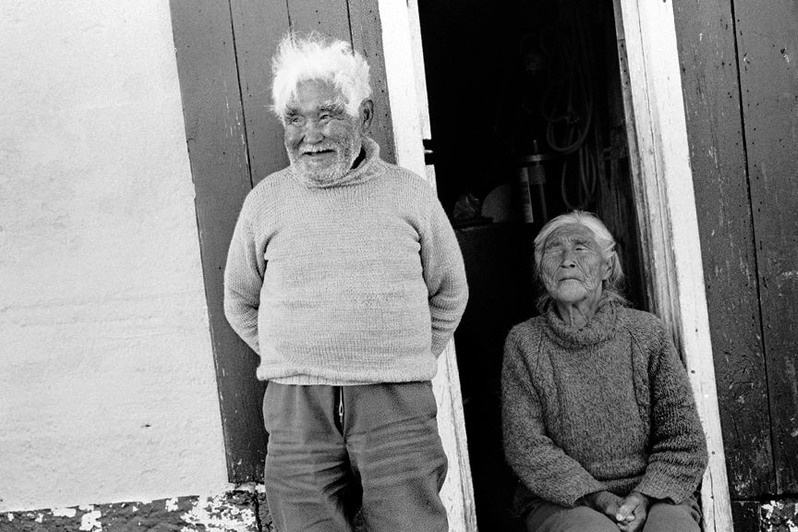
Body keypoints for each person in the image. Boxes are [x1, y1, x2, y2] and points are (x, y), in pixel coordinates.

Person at [223, 32, 468, 532]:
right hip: (296, 408)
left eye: (327, 114)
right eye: (295, 118)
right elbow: (240, 300)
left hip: (394, 401)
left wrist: (402, 355)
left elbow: (449, 291)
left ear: (366, 114)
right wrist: (293, 356)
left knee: (410, 525)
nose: (310, 134)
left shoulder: (409, 195)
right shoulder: (265, 202)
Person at [501, 210, 708, 532]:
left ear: (607, 267)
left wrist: (643, 495)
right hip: (563, 496)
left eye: (581, 248)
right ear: (541, 269)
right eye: (555, 250)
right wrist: (599, 498)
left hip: (654, 490)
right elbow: (526, 447)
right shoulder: (525, 343)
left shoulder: (645, 334)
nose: (567, 259)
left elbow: (683, 439)